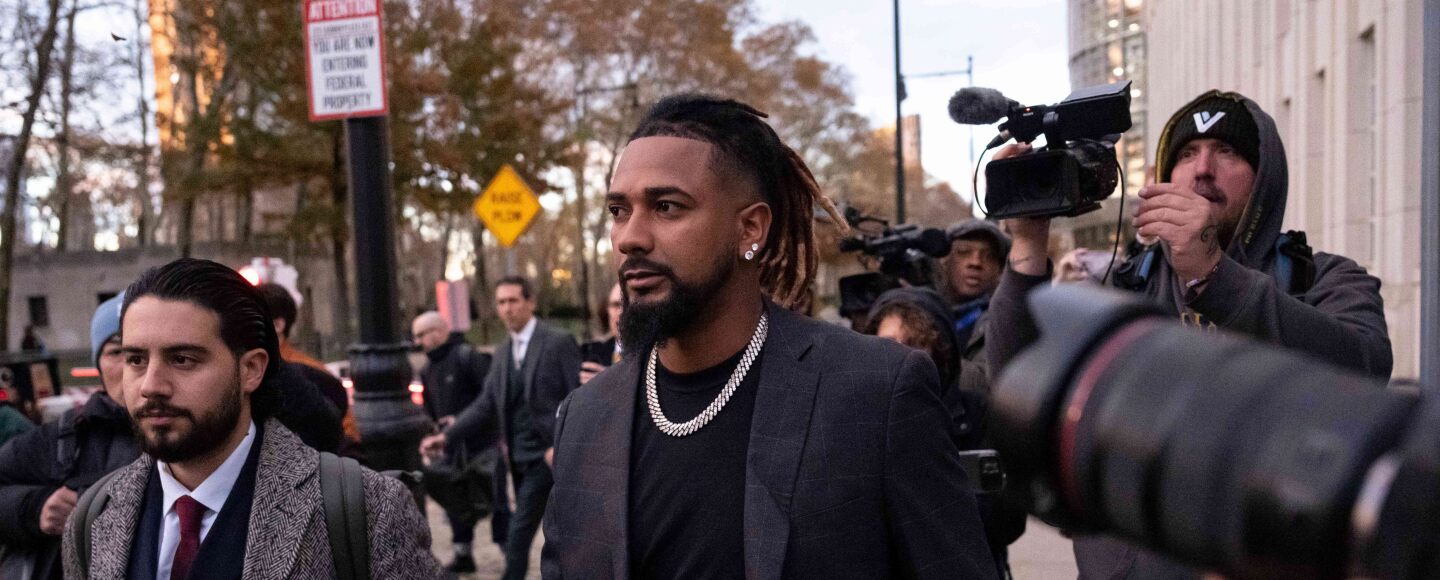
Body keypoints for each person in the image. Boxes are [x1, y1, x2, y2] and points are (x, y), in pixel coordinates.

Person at [540, 94, 995, 579]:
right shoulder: (583, 419)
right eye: (617, 210)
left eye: (666, 206)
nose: (630, 236)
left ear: (750, 228)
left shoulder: (876, 392)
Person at [987, 90, 1394, 578]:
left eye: (1227, 152)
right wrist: (1028, 246)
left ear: (1265, 179)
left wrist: (1213, 275)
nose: (1203, 169)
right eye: (1186, 154)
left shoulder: (1322, 278)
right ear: (1164, 178)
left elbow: (1365, 367)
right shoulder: (1122, 285)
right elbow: (1019, 384)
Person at [61, 258, 439, 579]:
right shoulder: (94, 517)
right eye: (135, 360)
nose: (151, 386)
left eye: (183, 359)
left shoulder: (366, 510)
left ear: (251, 370)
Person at [419, 276, 581, 580]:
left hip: (549, 455)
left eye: (513, 301)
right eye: (501, 302)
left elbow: (577, 398)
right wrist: (446, 437)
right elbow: (485, 405)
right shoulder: (504, 353)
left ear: (530, 302)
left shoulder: (557, 342)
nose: (507, 309)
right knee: (559, 535)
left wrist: (561, 445)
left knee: (518, 536)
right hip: (519, 460)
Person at [0, 293, 140, 580]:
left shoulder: (203, 437)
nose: (132, 366)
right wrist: (35, 508)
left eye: (141, 352)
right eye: (116, 352)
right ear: (98, 364)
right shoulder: (65, 438)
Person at [411, 310, 494, 574]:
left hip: (482, 445)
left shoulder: (467, 356)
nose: (419, 341)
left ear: (439, 331)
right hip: (450, 448)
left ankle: (511, 553)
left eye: (422, 334)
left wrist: (458, 421)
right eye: (416, 336)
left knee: (496, 501)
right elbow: (430, 409)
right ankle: (463, 554)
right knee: (455, 501)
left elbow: (488, 399)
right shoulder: (426, 370)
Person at [941, 219, 1010, 396]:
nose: (976, 262)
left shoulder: (1007, 322)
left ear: (1000, 269)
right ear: (945, 260)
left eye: (988, 256)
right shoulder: (922, 310)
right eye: (964, 252)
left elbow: (989, 383)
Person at [579, 283, 624, 384]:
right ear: (607, 309)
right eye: (616, 305)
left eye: (627, 305)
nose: (621, 312)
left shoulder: (654, 356)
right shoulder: (590, 353)